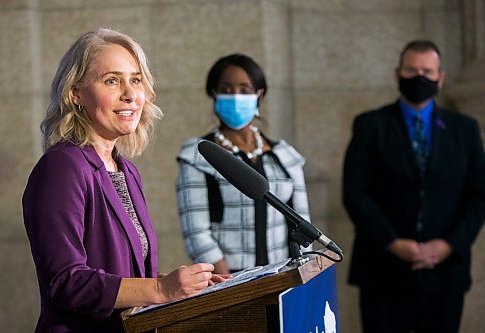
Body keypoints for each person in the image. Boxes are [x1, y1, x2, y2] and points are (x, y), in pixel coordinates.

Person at [22, 28, 227, 333]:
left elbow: (124, 273)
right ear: (75, 93)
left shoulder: (125, 171)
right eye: (112, 81)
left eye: (135, 80)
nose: (130, 94)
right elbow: (66, 281)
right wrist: (160, 289)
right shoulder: (62, 167)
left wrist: (184, 286)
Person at [342, 40, 485, 333]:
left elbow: (479, 196)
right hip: (383, 269)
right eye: (411, 70)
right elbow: (356, 193)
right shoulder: (370, 125)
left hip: (445, 272)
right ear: (398, 74)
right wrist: (393, 242)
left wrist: (446, 245)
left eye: (427, 71)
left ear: (440, 78)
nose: (419, 77)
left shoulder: (465, 130)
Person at [176, 53, 312, 274]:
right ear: (214, 94)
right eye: (227, 90)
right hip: (229, 281)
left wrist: (302, 274)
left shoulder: (284, 156)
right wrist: (229, 285)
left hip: (283, 277)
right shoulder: (198, 155)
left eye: (244, 90)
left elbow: (302, 222)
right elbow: (196, 232)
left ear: (259, 95)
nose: (236, 97)